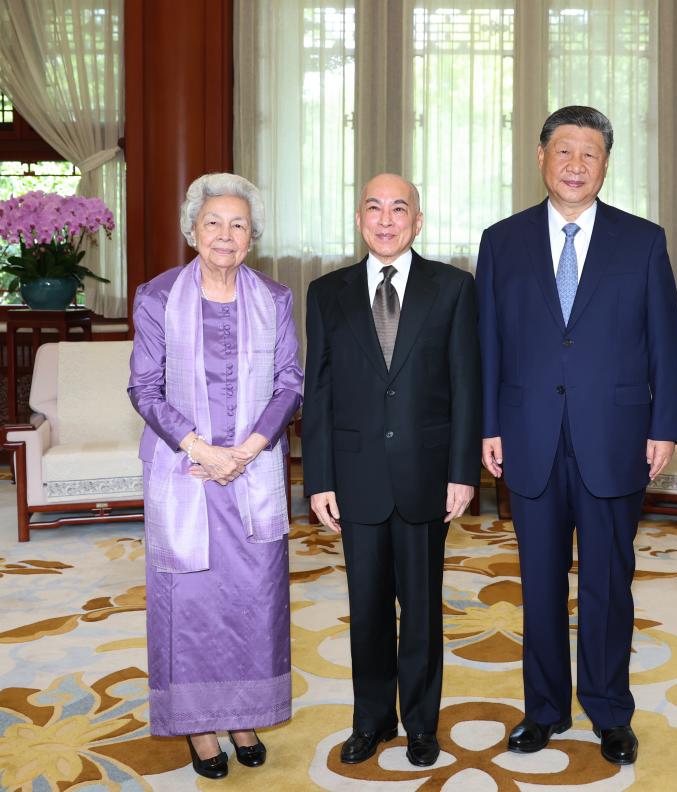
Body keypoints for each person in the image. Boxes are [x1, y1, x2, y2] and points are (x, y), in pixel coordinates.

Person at [477, 106, 677, 766]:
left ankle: (608, 709)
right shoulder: (501, 241)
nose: (574, 164)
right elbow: (488, 346)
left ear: (605, 165)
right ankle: (543, 709)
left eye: (588, 153)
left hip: (616, 437)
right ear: (540, 157)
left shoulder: (642, 240)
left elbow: (663, 346)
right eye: (562, 150)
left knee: (607, 582)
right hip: (528, 437)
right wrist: (488, 426)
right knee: (537, 584)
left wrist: (665, 426)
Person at [302, 173, 481, 768]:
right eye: (374, 208)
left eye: (398, 208)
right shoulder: (326, 293)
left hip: (426, 475)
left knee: (423, 611)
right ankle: (371, 720)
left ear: (418, 220)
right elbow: (318, 393)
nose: (386, 219)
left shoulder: (453, 288)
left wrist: (463, 472)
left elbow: (465, 385)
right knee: (367, 609)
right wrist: (318, 478)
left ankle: (422, 725)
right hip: (354, 477)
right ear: (359, 219)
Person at [129, 173, 303, 779]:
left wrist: (248, 451)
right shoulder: (155, 298)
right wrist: (202, 449)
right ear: (191, 231)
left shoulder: (275, 299)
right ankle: (199, 727)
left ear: (252, 236)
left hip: (251, 476)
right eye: (213, 224)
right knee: (193, 605)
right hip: (186, 474)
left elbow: (289, 384)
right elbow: (144, 388)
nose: (225, 235)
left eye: (237, 225)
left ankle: (243, 714)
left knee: (253, 602)